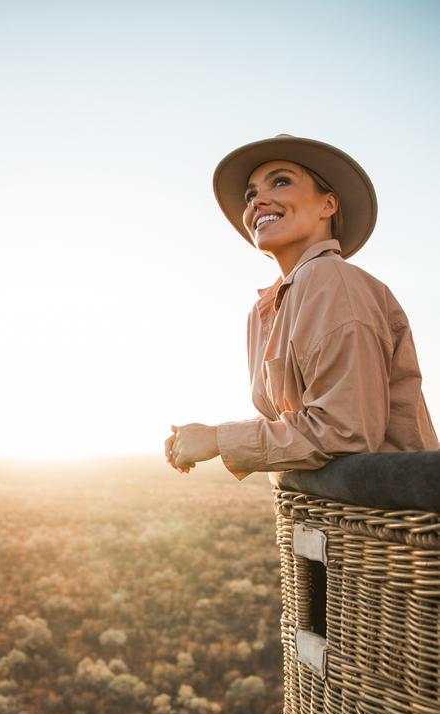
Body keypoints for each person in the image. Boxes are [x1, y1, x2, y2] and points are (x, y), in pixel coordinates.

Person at [165, 134, 438, 478]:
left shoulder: (332, 279)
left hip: (386, 521)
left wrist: (220, 439)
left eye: (280, 182)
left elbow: (345, 432)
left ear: (328, 205)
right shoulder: (263, 310)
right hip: (325, 523)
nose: (257, 201)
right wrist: (206, 434)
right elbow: (299, 423)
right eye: (251, 195)